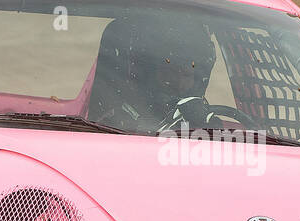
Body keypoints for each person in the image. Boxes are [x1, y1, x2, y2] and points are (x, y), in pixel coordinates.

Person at [88, 12, 220, 133]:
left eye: (187, 75)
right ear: (151, 72)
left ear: (198, 80)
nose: (178, 83)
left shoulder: (207, 125)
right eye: (170, 72)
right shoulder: (115, 121)